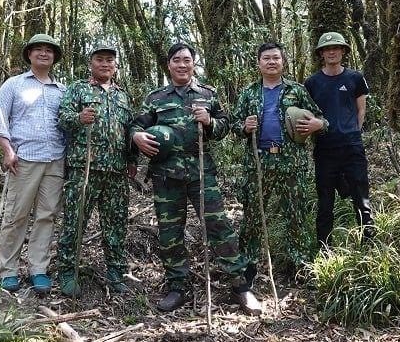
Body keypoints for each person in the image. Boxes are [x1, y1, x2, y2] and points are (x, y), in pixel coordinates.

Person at [131, 43, 262, 315]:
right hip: (166, 175)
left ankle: (240, 285)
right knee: (170, 232)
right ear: (168, 65)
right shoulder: (156, 98)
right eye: (176, 60)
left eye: (187, 60)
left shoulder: (207, 94)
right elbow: (136, 124)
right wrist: (137, 137)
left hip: (201, 170)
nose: (182, 64)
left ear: (194, 64)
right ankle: (177, 287)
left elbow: (226, 124)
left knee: (218, 226)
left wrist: (210, 122)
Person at [231, 42, 327, 282]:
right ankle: (248, 267)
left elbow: (321, 119)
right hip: (258, 162)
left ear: (283, 62)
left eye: (276, 58)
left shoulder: (297, 90)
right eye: (266, 58)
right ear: (258, 63)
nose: (271, 62)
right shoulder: (249, 93)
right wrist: (244, 127)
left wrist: (319, 124)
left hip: (291, 161)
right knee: (252, 215)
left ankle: (300, 266)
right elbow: (233, 124)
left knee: (295, 214)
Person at [57, 45, 137, 297]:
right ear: (91, 63)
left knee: (116, 224)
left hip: (116, 170)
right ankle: (68, 273)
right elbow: (62, 118)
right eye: (99, 60)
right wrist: (79, 118)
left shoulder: (123, 96)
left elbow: (130, 130)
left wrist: (132, 160)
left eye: (109, 60)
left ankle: (116, 273)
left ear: (116, 66)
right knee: (75, 221)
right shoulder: (78, 89)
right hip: (84, 167)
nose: (105, 64)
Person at [0, 33, 67, 294]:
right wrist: (7, 150)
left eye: (49, 50)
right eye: (38, 50)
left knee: (47, 216)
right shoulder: (13, 85)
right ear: (29, 54)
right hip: (23, 159)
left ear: (55, 57)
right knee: (16, 215)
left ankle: (38, 269)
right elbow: (0, 119)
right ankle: (8, 270)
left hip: (55, 160)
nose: (44, 53)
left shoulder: (62, 91)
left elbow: (67, 125)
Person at [304, 32, 375, 245]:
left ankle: (369, 242)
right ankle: (324, 247)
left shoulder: (355, 78)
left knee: (361, 197)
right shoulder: (312, 82)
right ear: (321, 54)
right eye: (327, 49)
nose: (331, 52)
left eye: (336, 47)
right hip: (325, 150)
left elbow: (361, 110)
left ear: (343, 51)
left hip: (352, 148)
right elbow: (308, 114)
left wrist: (353, 132)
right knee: (325, 201)